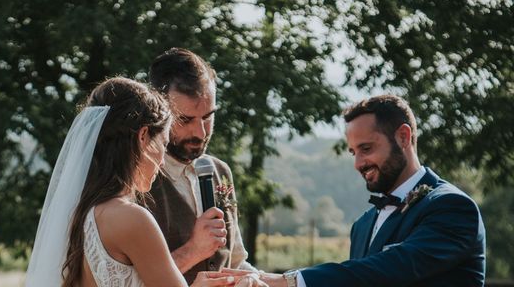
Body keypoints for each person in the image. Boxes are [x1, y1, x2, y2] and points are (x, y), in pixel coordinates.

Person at [25, 76, 252, 287]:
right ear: (143, 136)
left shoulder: (79, 212)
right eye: (162, 145)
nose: (162, 162)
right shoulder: (132, 218)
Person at [259, 94, 486, 287]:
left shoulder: (453, 207)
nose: (358, 163)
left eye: (366, 148)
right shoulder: (362, 225)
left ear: (403, 137)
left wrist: (289, 281)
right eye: (353, 152)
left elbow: (389, 269)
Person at [147, 48, 262, 285]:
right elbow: (124, 280)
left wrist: (252, 278)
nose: (200, 133)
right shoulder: (134, 178)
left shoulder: (221, 172)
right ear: (158, 111)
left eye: (208, 117)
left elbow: (236, 261)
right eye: (185, 120)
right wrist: (192, 251)